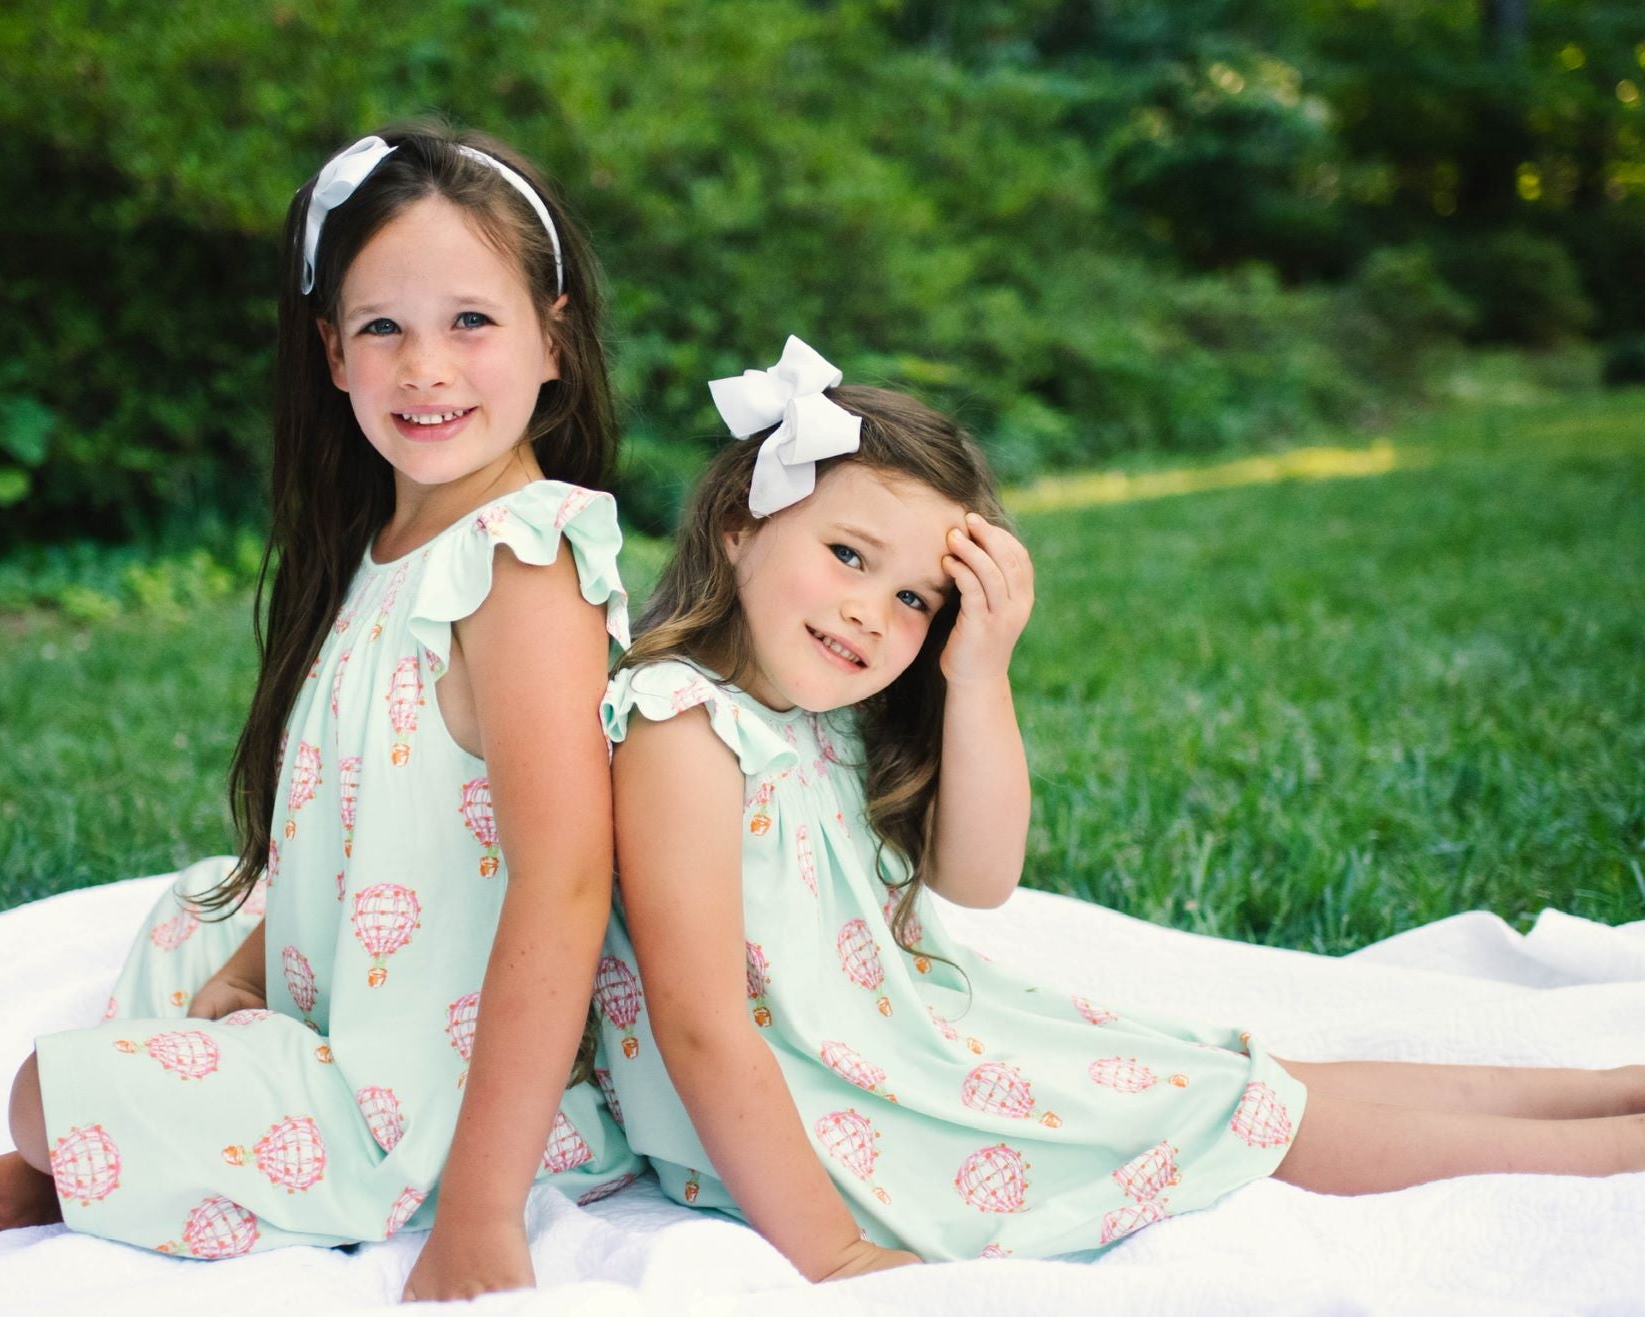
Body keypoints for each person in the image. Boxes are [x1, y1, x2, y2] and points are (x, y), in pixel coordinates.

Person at [587, 335, 1645, 1280]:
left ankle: (1607, 1090)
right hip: (826, 1125)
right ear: (737, 523)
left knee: (1231, 1073)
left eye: (913, 597)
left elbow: (977, 877)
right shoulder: (681, 724)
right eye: (847, 556)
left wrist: (979, 672)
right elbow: (698, 1022)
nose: (871, 610)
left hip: (905, 1051)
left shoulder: (817, 715)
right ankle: (1606, 1149)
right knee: (1223, 1113)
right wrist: (831, 1249)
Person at [0, 123, 640, 1298]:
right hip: (359, 998)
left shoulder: (523, 561)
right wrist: (259, 970)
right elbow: (362, 821)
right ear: (331, 354)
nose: (425, 367)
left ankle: (142, 1155)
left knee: (43, 1096)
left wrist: (478, 1213)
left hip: (435, 1088)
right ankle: (139, 1156)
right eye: (383, 328)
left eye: (471, 321)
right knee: (194, 919)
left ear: (552, 339)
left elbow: (565, 879)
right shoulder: (392, 542)